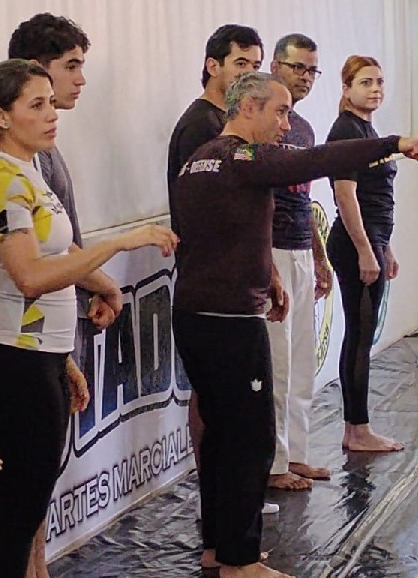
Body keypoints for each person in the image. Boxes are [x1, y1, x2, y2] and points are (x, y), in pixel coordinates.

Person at [171, 71, 418, 578]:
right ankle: (240, 557)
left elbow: (222, 234)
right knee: (249, 439)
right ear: (247, 108)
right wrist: (396, 145)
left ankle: (216, 546)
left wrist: (267, 275)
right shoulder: (242, 158)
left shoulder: (199, 158)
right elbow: (316, 160)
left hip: (196, 312)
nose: (286, 123)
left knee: (222, 435)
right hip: (230, 321)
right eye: (278, 111)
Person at [0, 59, 178, 578]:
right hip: (12, 360)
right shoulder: (0, 179)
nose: (52, 113)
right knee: (15, 512)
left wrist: (101, 287)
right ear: (1, 116)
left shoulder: (27, 171)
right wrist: (120, 243)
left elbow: (61, 254)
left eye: (52, 102)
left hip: (40, 357)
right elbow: (29, 276)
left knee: (28, 505)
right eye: (36, 104)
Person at [4, 12, 119, 578]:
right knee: (28, 469)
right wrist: (98, 274)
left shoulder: (44, 152)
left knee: (43, 465)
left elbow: (60, 247)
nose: (79, 82)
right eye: (69, 66)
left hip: (49, 331)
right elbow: (35, 261)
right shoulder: (11, 166)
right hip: (22, 336)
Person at [165, 24, 274, 510]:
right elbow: (212, 213)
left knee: (228, 407)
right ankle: (224, 502)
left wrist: (264, 271)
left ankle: (229, 504)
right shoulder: (202, 130)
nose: (249, 75)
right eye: (240, 65)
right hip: (211, 293)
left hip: (224, 287)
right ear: (213, 66)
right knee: (218, 404)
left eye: (255, 65)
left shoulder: (223, 131)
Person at [326, 55, 408, 453]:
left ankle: (356, 427)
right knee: (358, 337)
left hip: (372, 238)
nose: (375, 89)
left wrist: (384, 247)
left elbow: (378, 199)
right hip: (353, 242)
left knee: (363, 336)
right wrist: (364, 250)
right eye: (365, 82)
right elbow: (345, 195)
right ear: (346, 89)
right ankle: (357, 430)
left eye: (379, 82)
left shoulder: (365, 128)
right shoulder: (345, 130)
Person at [264, 32, 332, 492]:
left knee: (302, 359)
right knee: (277, 362)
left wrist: (320, 254)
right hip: (269, 252)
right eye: (297, 68)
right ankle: (274, 463)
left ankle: (298, 453)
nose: (305, 78)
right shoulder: (261, 128)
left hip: (301, 248)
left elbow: (306, 200)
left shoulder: (303, 128)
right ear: (275, 65)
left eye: (312, 70)